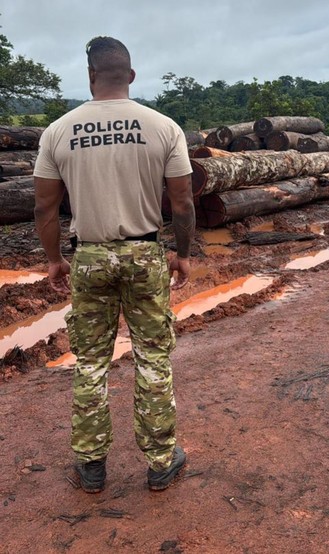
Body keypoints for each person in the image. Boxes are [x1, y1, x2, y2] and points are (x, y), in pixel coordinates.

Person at [33, 37, 195, 493]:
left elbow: (44, 208)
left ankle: (91, 466)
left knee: (90, 362)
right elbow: (182, 203)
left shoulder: (58, 131)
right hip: (144, 255)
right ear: (131, 75)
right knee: (152, 358)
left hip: (88, 258)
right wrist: (183, 254)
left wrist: (54, 260)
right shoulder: (164, 127)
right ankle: (160, 461)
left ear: (90, 77)